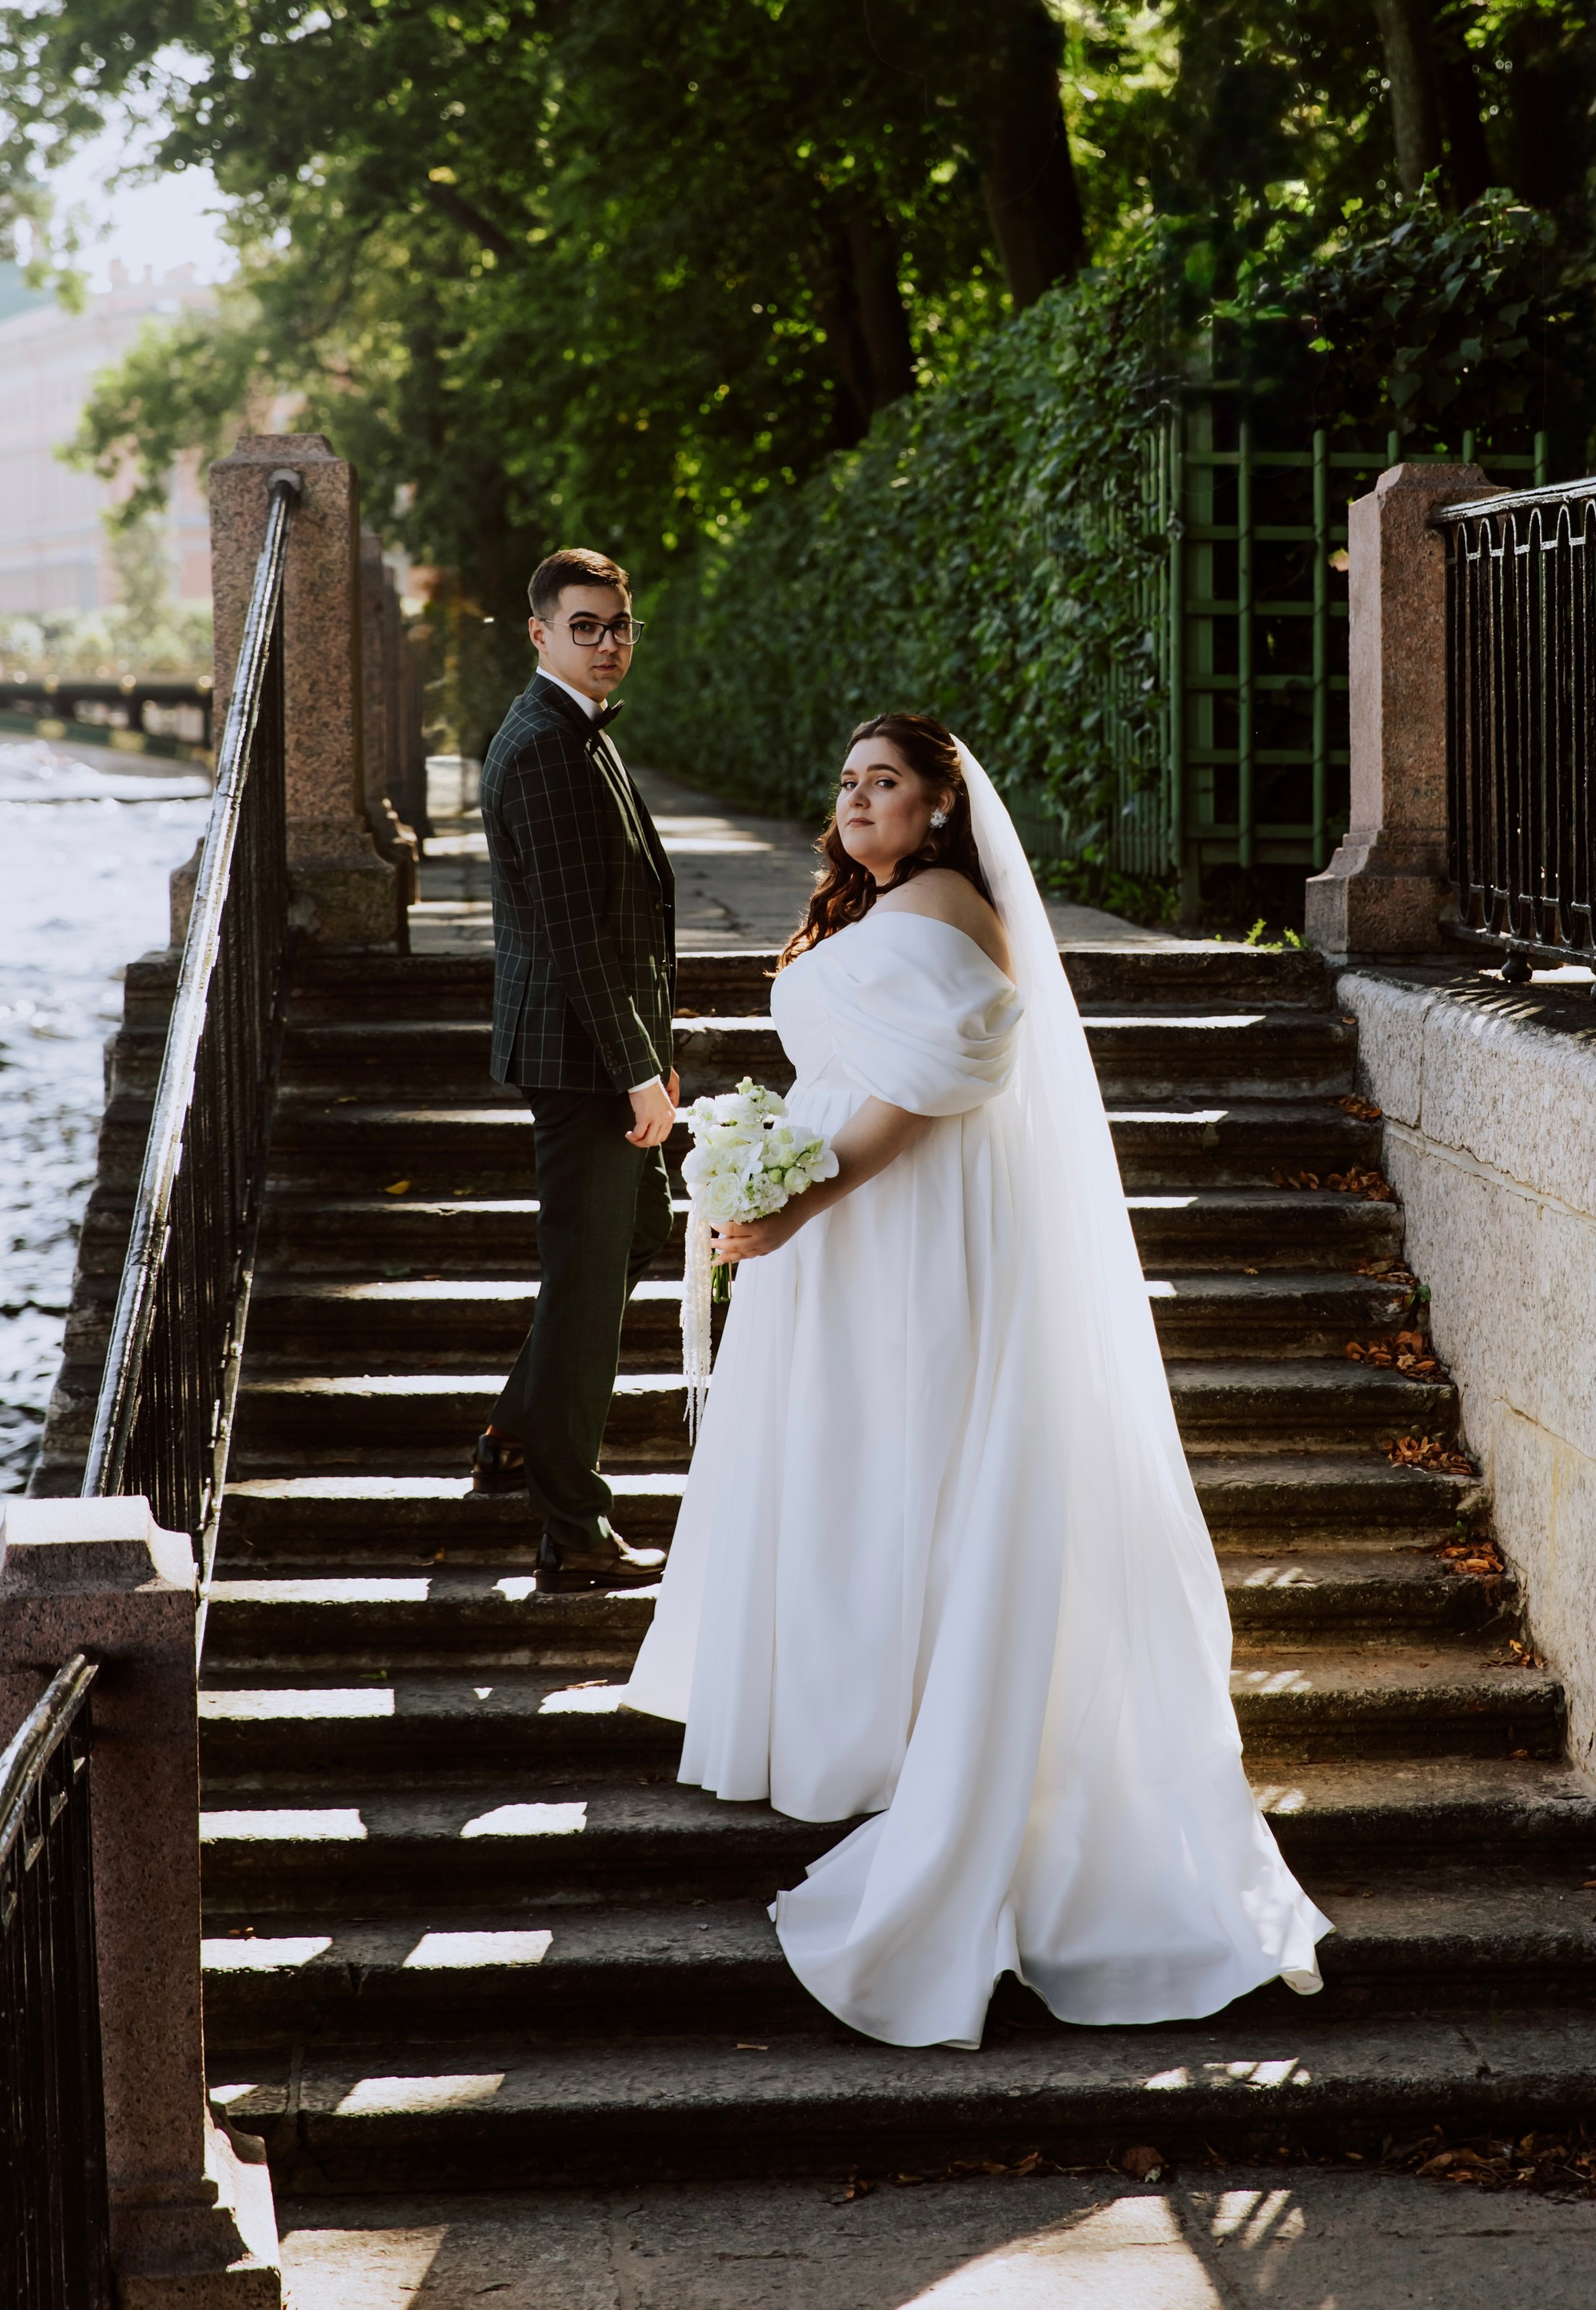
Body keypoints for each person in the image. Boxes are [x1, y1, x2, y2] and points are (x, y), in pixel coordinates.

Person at [625, 713, 1329, 2048]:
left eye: (883, 782)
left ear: (943, 805)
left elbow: (939, 1077)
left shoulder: (949, 896)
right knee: (863, 1469)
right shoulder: (888, 898)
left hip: (901, 1225)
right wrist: (766, 1163)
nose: (856, 799)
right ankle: (880, 1725)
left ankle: (922, 1741)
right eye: (845, 780)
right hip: (842, 1233)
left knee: (909, 1467)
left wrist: (805, 1192)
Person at [475, 547, 680, 1594]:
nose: (609, 642)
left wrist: (653, 1056)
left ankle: (517, 1424)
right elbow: (574, 937)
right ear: (541, 631)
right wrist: (641, 1068)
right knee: (593, 1274)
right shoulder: (547, 747)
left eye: (619, 625)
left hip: (600, 1047)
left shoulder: (572, 729)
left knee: (638, 1234)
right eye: (587, 625)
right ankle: (572, 1523)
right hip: (585, 1056)